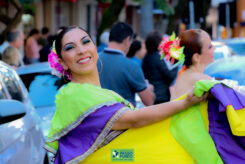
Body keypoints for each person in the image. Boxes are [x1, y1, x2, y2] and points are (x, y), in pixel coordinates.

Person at [43, 26, 207, 163]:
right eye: (70, 47)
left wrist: (138, 154)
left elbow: (114, 153)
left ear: (95, 49)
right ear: (62, 62)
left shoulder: (102, 93)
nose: (81, 50)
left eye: (86, 42)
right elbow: (134, 120)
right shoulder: (75, 95)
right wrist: (184, 103)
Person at [98, 22, 155, 107]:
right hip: (124, 116)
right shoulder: (131, 66)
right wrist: (149, 88)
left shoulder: (94, 60)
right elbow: (149, 101)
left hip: (96, 115)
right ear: (127, 40)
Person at [171, 29, 214, 100]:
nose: (214, 48)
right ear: (196, 57)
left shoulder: (185, 74)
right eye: (210, 47)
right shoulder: (199, 79)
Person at [142, 31, 178, 104]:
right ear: (158, 44)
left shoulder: (146, 58)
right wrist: (175, 63)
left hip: (152, 94)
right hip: (161, 96)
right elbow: (169, 76)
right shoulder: (157, 58)